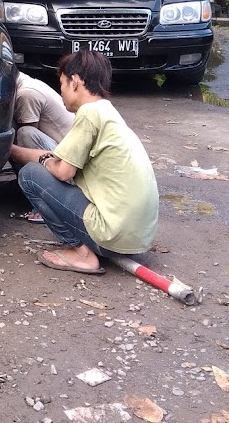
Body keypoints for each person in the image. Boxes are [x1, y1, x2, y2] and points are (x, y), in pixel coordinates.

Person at [8, 50, 159, 275]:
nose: (61, 93)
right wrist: (10, 150)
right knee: (41, 166)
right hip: (137, 238)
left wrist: (45, 162)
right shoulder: (107, 111)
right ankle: (90, 244)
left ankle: (81, 252)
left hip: (112, 237)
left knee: (30, 175)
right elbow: (53, 157)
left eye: (62, 84)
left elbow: (62, 171)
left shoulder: (89, 113)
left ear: (75, 82)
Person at [11, 70, 75, 223]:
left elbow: (26, 140)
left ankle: (44, 205)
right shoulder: (28, 83)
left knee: (24, 134)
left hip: (68, 163)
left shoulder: (26, 93)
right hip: (63, 152)